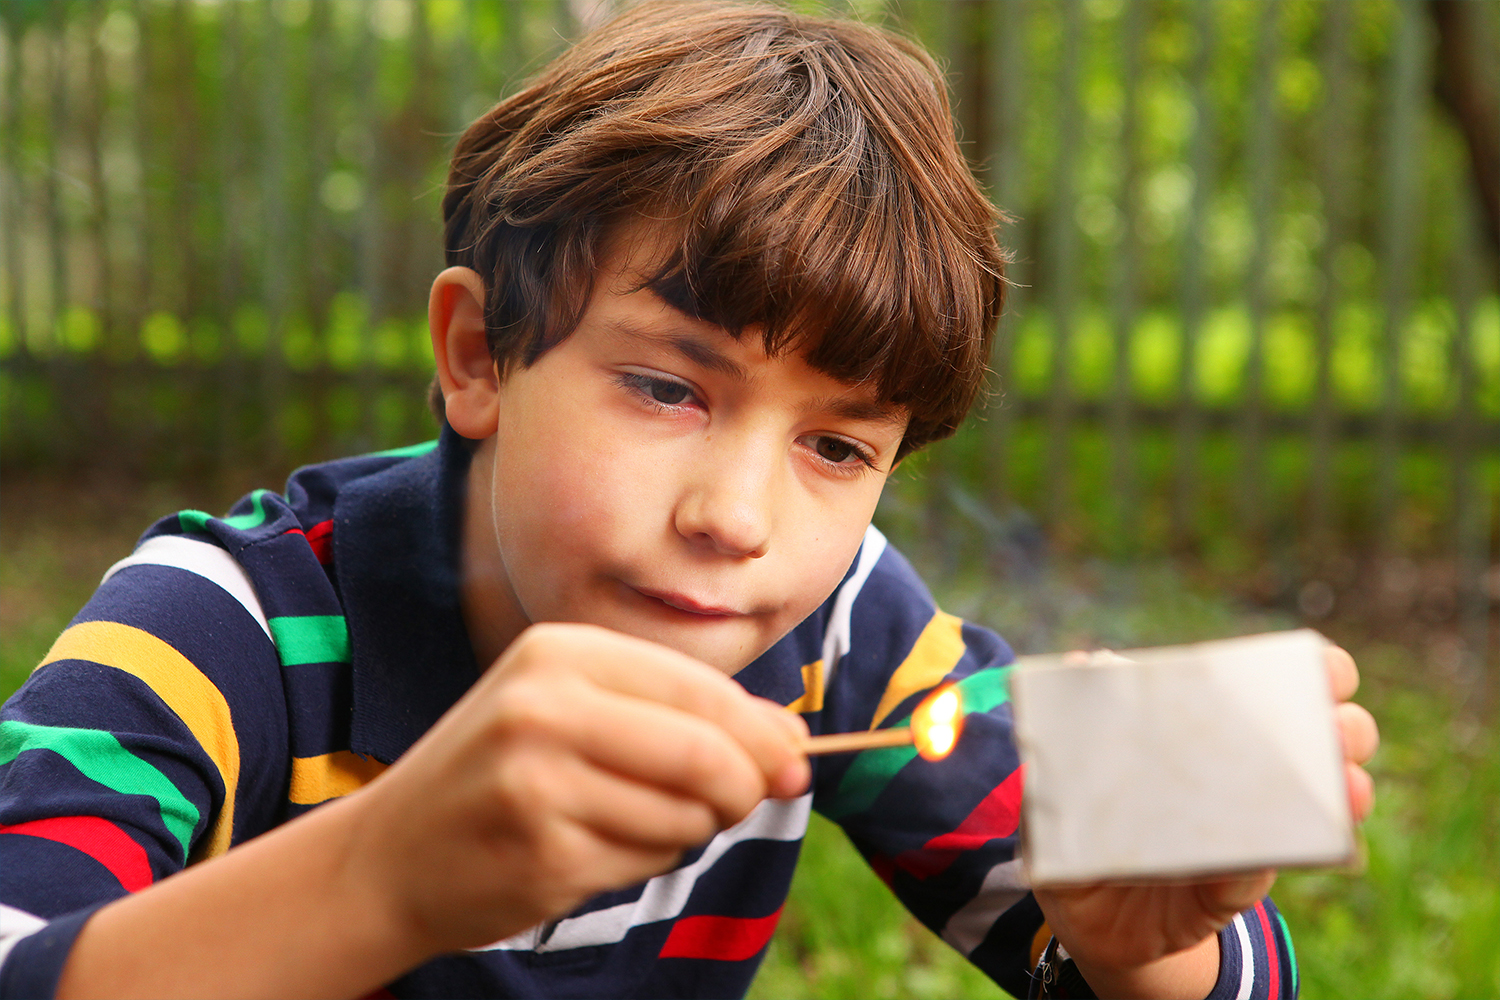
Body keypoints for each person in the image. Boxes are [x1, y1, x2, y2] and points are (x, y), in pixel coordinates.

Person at [0, 3, 1378, 998]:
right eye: (670, 388)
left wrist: (1148, 951)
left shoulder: (840, 637)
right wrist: (382, 880)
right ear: (480, 355)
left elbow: (1186, 971)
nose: (736, 517)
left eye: (838, 448)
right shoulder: (221, 629)